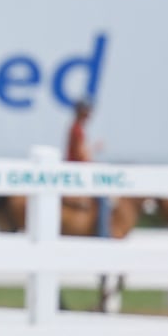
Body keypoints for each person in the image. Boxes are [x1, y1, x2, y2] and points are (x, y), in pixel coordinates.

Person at [66, 98, 112, 238]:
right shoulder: (77, 130)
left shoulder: (76, 128)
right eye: (87, 112)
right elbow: (81, 155)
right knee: (103, 198)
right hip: (78, 172)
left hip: (76, 169)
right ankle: (103, 234)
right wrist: (94, 149)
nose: (89, 115)